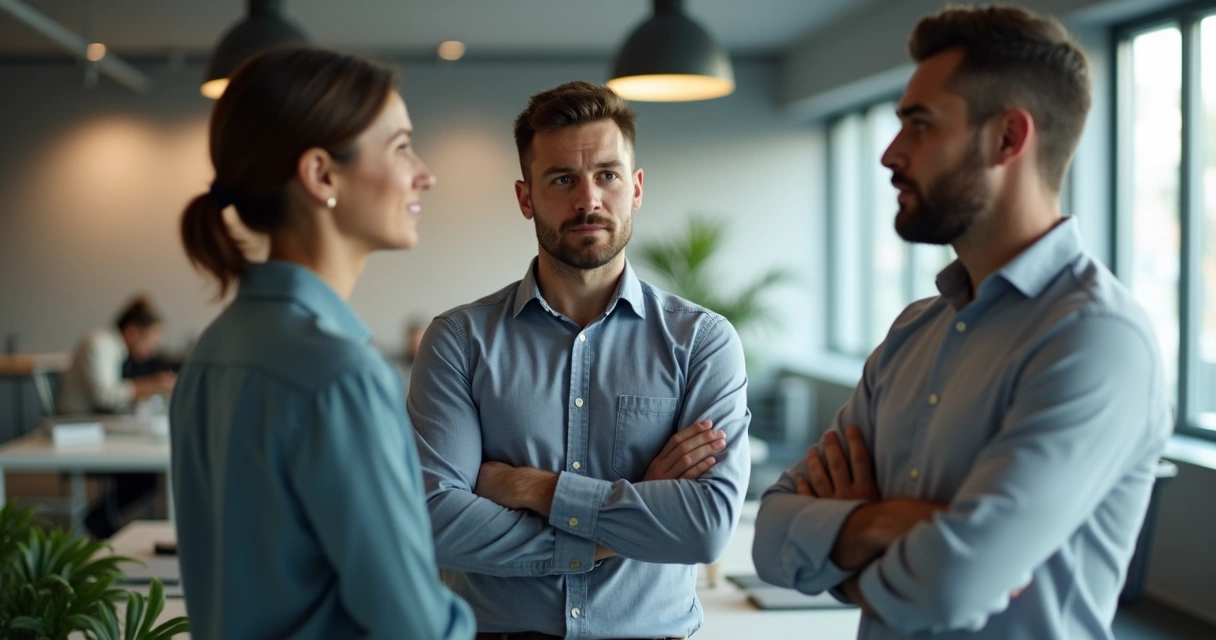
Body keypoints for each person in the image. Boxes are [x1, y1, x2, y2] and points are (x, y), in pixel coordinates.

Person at [752, 6, 1171, 639]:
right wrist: (885, 523)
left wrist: (842, 552)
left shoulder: (1096, 340)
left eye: (919, 126)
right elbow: (771, 538)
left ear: (1008, 138)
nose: (891, 155)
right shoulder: (911, 334)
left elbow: (949, 588)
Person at [408, 80, 750, 639]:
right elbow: (435, 522)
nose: (588, 199)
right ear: (526, 198)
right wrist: (621, 527)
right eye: (562, 179)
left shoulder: (702, 341)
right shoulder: (458, 340)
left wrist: (534, 489)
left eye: (607, 176)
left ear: (635, 188)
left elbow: (706, 528)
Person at [171, 46, 473, 640]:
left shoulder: (212, 352)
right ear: (321, 174)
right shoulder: (342, 376)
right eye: (401, 146)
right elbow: (414, 627)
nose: (425, 174)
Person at [57, 295, 175, 539]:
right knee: (146, 472)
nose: (153, 348)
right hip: (78, 430)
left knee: (148, 467)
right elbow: (106, 395)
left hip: (98, 426)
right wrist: (152, 385)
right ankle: (99, 521)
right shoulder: (99, 343)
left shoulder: (116, 350)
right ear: (132, 331)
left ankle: (104, 521)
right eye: (151, 340)